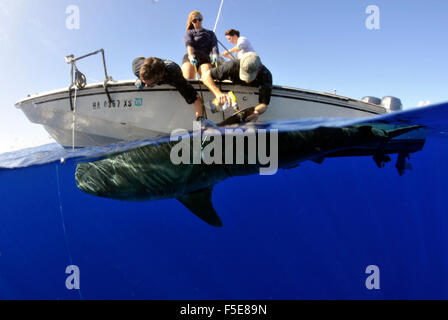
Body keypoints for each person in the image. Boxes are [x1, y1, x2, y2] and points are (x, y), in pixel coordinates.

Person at [202, 52, 272, 122]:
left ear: (259, 69)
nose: (247, 80)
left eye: (250, 75)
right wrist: (218, 93)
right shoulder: (231, 66)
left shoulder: (266, 75)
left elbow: (264, 104)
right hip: (228, 95)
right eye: (245, 73)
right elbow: (205, 76)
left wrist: (257, 112)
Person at [132, 56, 204, 119]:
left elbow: (196, 99)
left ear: (160, 79)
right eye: (145, 82)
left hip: (171, 71)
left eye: (150, 84)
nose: (147, 86)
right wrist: (143, 80)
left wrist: (200, 121)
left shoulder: (174, 77)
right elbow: (138, 58)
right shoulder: (137, 68)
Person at [181, 10, 219, 80]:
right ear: (192, 22)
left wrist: (215, 54)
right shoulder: (189, 32)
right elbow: (189, 44)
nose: (197, 21)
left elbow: (214, 45)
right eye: (194, 20)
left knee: (208, 77)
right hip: (191, 57)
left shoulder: (210, 33)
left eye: (199, 19)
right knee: (188, 78)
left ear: (202, 20)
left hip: (204, 58)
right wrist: (191, 55)